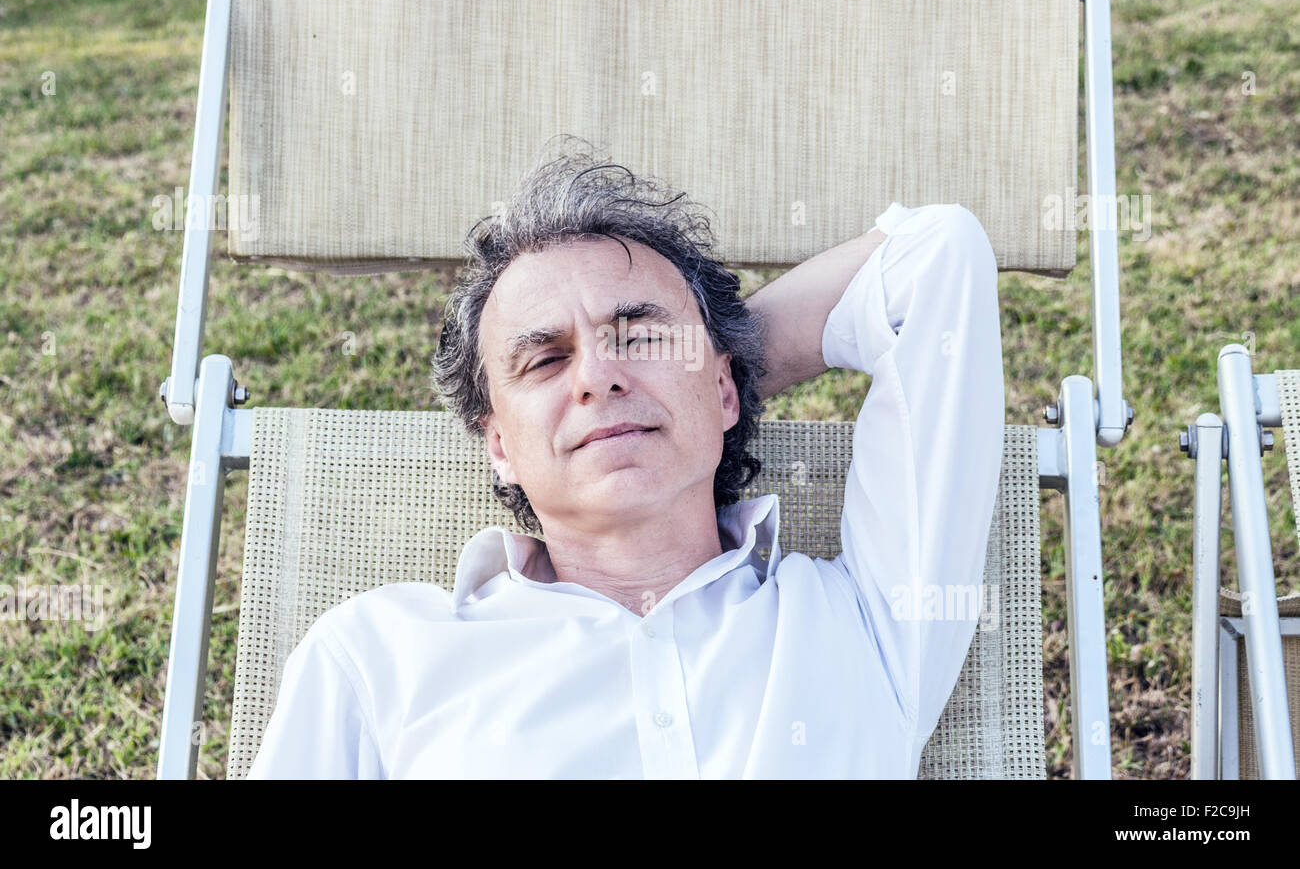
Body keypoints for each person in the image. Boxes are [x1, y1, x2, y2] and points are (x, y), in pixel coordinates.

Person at [246, 137, 1005, 779]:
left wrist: (712, 376)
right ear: (500, 444)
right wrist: (675, 384)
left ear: (726, 391)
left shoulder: (868, 623)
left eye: (641, 335)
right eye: (545, 361)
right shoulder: (381, 655)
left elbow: (934, 258)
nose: (598, 376)